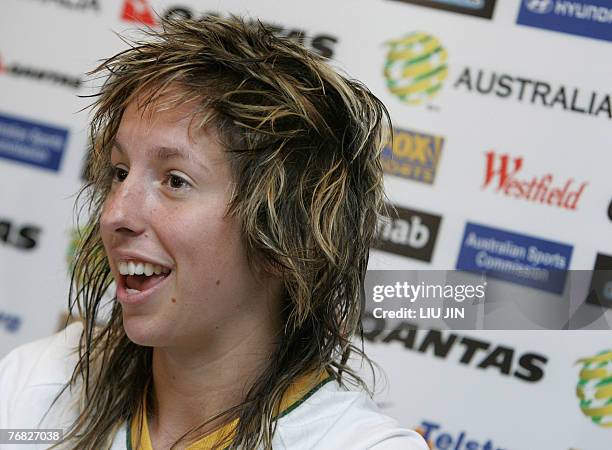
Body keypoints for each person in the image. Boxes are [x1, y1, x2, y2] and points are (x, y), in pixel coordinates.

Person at [0, 15, 428, 450]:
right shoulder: (38, 385)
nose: (115, 213)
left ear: (283, 238)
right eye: (120, 171)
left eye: (175, 181)